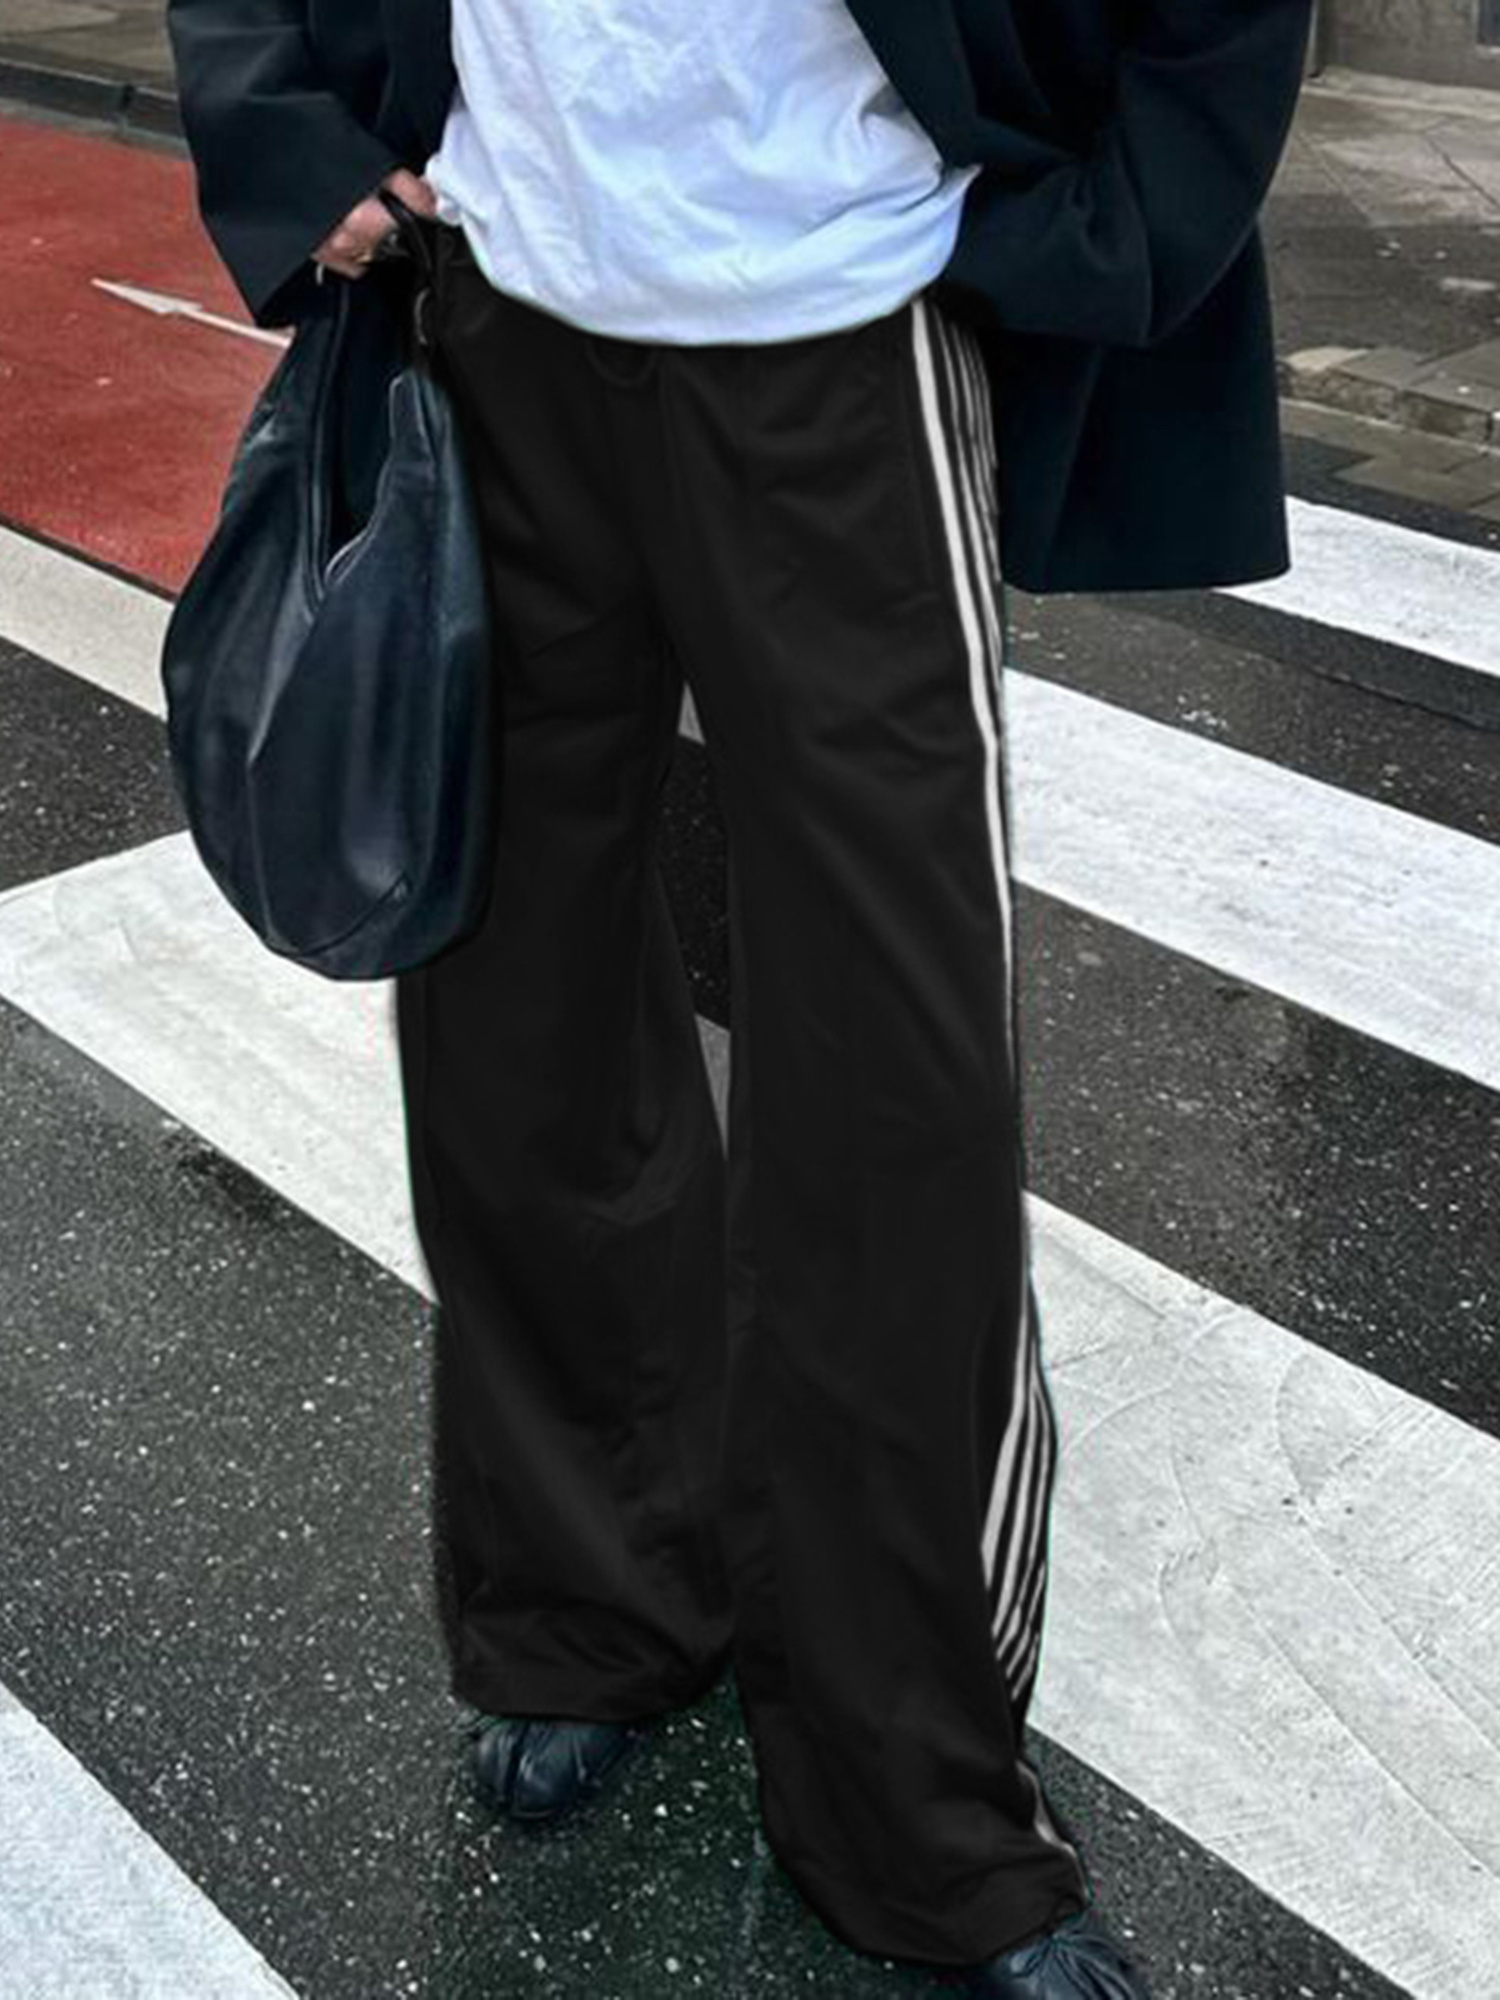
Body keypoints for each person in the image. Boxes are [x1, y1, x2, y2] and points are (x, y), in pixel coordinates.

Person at [167, 4, 1314, 1993]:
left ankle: (910, 1791)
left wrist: (1119, 220)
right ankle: (586, 1607)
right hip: (497, 303)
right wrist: (280, 122)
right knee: (516, 1025)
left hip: (843, 326)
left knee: (893, 1085)